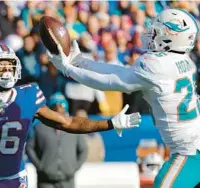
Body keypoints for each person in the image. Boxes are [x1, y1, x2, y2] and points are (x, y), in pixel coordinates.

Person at [48, 9, 200, 188]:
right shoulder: (185, 61)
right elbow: (120, 72)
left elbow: (111, 81)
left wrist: (69, 69)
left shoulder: (156, 64)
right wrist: (81, 62)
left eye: (158, 30)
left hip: (188, 151)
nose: (151, 33)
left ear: (172, 36)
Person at [0, 43, 141, 188]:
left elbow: (67, 123)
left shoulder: (27, 95)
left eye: (10, 64)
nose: (7, 70)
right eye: (1, 65)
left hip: (16, 177)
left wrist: (110, 123)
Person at [26, 92, 87, 188]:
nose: (58, 108)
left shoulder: (73, 128)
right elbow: (29, 147)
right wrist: (40, 166)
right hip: (45, 180)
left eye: (61, 105)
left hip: (68, 180)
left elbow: (83, 150)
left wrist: (73, 168)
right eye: (55, 105)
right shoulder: (39, 127)